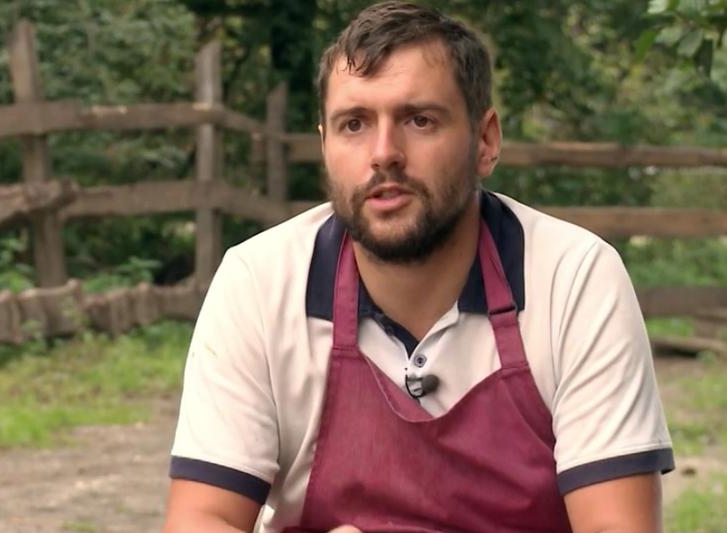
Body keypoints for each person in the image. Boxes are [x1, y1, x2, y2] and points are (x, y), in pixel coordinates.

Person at [163, 2, 674, 532]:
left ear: (485, 141)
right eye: (354, 124)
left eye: (419, 120)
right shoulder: (258, 283)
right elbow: (202, 519)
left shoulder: (573, 279)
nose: (384, 153)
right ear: (325, 147)